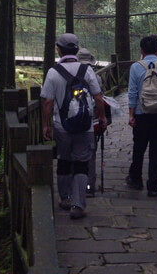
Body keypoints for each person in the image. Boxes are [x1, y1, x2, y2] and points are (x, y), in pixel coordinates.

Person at [41, 34, 107, 219]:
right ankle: (78, 205)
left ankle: (65, 198)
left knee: (63, 160)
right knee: (81, 164)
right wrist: (101, 117)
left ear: (58, 49)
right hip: (84, 126)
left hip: (61, 126)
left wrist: (46, 125)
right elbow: (98, 98)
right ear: (77, 50)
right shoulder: (86, 70)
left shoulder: (53, 72)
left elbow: (47, 102)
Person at [126, 35, 157, 196]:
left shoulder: (136, 67)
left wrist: (131, 114)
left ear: (141, 50)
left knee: (139, 147)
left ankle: (136, 179)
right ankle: (153, 185)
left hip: (141, 114)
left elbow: (132, 93)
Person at [77, 47, 102, 197]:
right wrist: (103, 118)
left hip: (72, 120)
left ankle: (75, 186)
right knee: (91, 154)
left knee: (75, 153)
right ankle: (89, 186)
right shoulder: (96, 77)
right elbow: (100, 99)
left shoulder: (69, 73)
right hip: (91, 121)